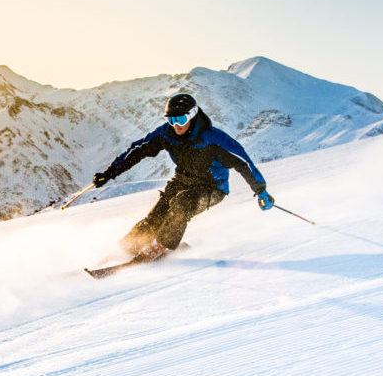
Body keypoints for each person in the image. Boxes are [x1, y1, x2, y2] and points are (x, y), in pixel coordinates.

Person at [90, 92, 274, 260]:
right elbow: (137, 151)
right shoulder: (166, 134)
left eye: (181, 119)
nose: (176, 125)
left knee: (182, 203)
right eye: (172, 120)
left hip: (212, 187)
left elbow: (243, 162)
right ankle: (127, 249)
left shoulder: (213, 139)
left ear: (193, 115)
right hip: (182, 181)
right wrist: (109, 173)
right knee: (156, 215)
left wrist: (260, 190)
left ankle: (159, 247)